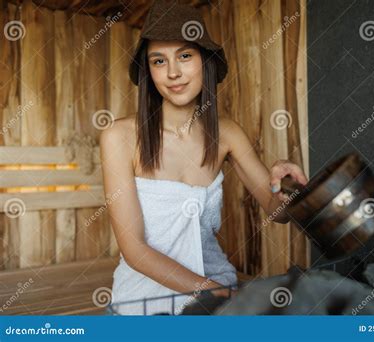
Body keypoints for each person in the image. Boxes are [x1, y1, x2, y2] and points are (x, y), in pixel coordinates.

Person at [99, 0, 308, 315]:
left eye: (185, 55)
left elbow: (276, 211)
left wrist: (284, 184)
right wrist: (222, 295)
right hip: (144, 304)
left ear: (204, 61)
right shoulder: (120, 138)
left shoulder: (227, 134)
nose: (172, 72)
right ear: (148, 71)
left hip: (216, 289)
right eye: (158, 60)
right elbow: (135, 251)